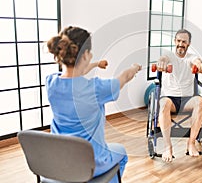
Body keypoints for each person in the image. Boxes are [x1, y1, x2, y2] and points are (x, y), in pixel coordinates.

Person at [45, 26, 141, 181]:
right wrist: (134, 67)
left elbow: (75, 75)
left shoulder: (51, 83)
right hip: (91, 162)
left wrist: (96, 64)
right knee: (121, 153)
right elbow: (124, 77)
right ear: (84, 55)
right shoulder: (96, 89)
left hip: (60, 162)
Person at [156, 29, 202, 163]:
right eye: (179, 41)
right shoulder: (168, 55)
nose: (181, 44)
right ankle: (168, 147)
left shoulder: (191, 57)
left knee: (200, 101)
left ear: (188, 44)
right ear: (175, 41)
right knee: (163, 105)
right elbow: (163, 59)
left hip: (187, 100)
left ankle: (191, 143)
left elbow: (197, 61)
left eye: (184, 42)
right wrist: (162, 63)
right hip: (170, 99)